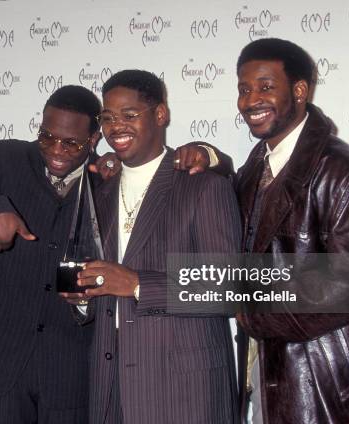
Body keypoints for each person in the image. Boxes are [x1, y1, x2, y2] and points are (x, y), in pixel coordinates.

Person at [0, 84, 215, 424]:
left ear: (93, 140)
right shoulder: (4, 157)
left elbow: (201, 170)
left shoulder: (109, 178)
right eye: (47, 137)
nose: (56, 150)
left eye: (71, 143)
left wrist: (207, 152)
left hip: (71, 369)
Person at [233, 38, 349, 423]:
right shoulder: (255, 169)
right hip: (271, 376)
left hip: (331, 387)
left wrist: (251, 312)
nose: (251, 101)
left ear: (300, 91)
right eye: (244, 89)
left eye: (266, 87)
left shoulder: (342, 170)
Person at [76, 69, 241, 423]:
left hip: (184, 390)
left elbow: (227, 289)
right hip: (110, 386)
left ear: (161, 115)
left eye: (129, 115)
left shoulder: (203, 186)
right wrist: (81, 298)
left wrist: (136, 284)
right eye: (107, 118)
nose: (115, 127)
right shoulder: (99, 192)